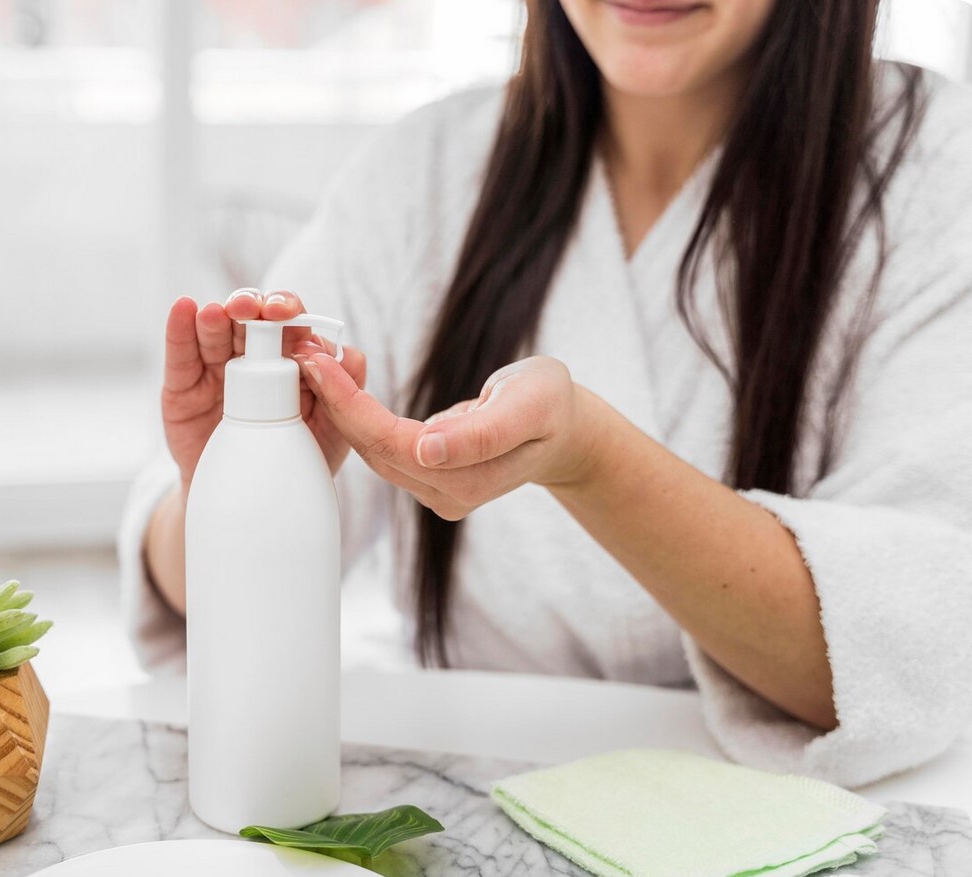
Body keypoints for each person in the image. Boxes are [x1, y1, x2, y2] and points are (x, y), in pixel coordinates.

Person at [119, 0, 972, 788]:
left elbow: (898, 648)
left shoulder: (934, 173)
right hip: (469, 794)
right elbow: (198, 594)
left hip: (796, 810)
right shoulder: (425, 173)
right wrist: (227, 490)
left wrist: (591, 459)